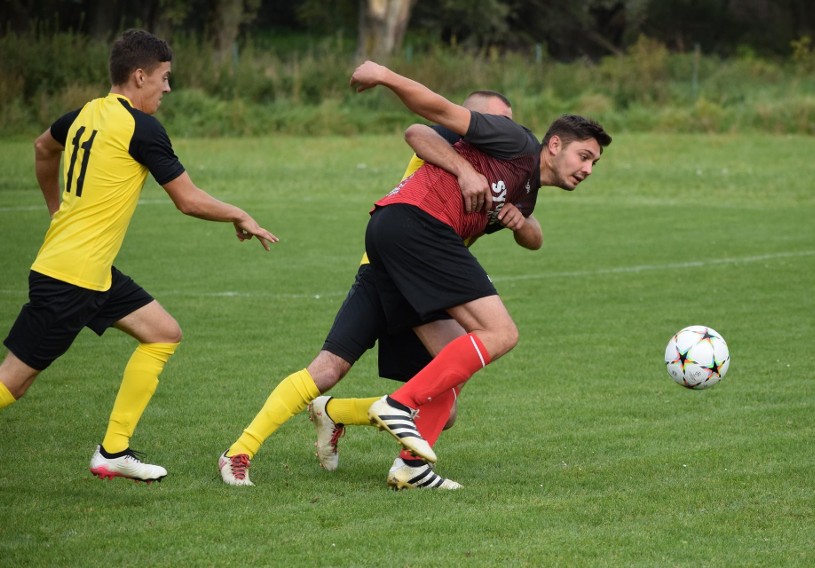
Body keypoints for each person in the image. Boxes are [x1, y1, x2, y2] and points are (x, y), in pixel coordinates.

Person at [218, 91, 541, 489]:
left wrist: (521, 222)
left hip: (428, 278)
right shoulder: (451, 140)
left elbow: (534, 232)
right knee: (327, 368)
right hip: (388, 268)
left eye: (508, 123)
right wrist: (463, 170)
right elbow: (417, 130)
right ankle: (238, 452)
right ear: (470, 118)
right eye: (495, 122)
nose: (503, 132)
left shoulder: (499, 168)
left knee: (446, 403)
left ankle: (336, 414)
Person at [0, 29, 278, 484]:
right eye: (165, 78)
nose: (168, 88)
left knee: (163, 333)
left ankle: (114, 450)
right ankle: (112, 450)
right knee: (14, 381)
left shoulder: (86, 113)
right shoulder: (141, 127)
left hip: (90, 273)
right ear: (140, 75)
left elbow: (41, 147)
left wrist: (56, 210)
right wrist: (239, 214)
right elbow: (187, 199)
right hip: (71, 280)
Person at [347, 60, 612, 469]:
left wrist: (521, 221)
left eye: (594, 163)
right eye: (584, 156)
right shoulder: (515, 139)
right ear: (555, 145)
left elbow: (535, 239)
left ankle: (411, 468)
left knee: (459, 357)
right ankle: (399, 404)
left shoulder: (526, 193)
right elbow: (436, 111)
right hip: (416, 223)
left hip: (396, 231)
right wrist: (385, 75)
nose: (588, 169)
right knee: (501, 332)